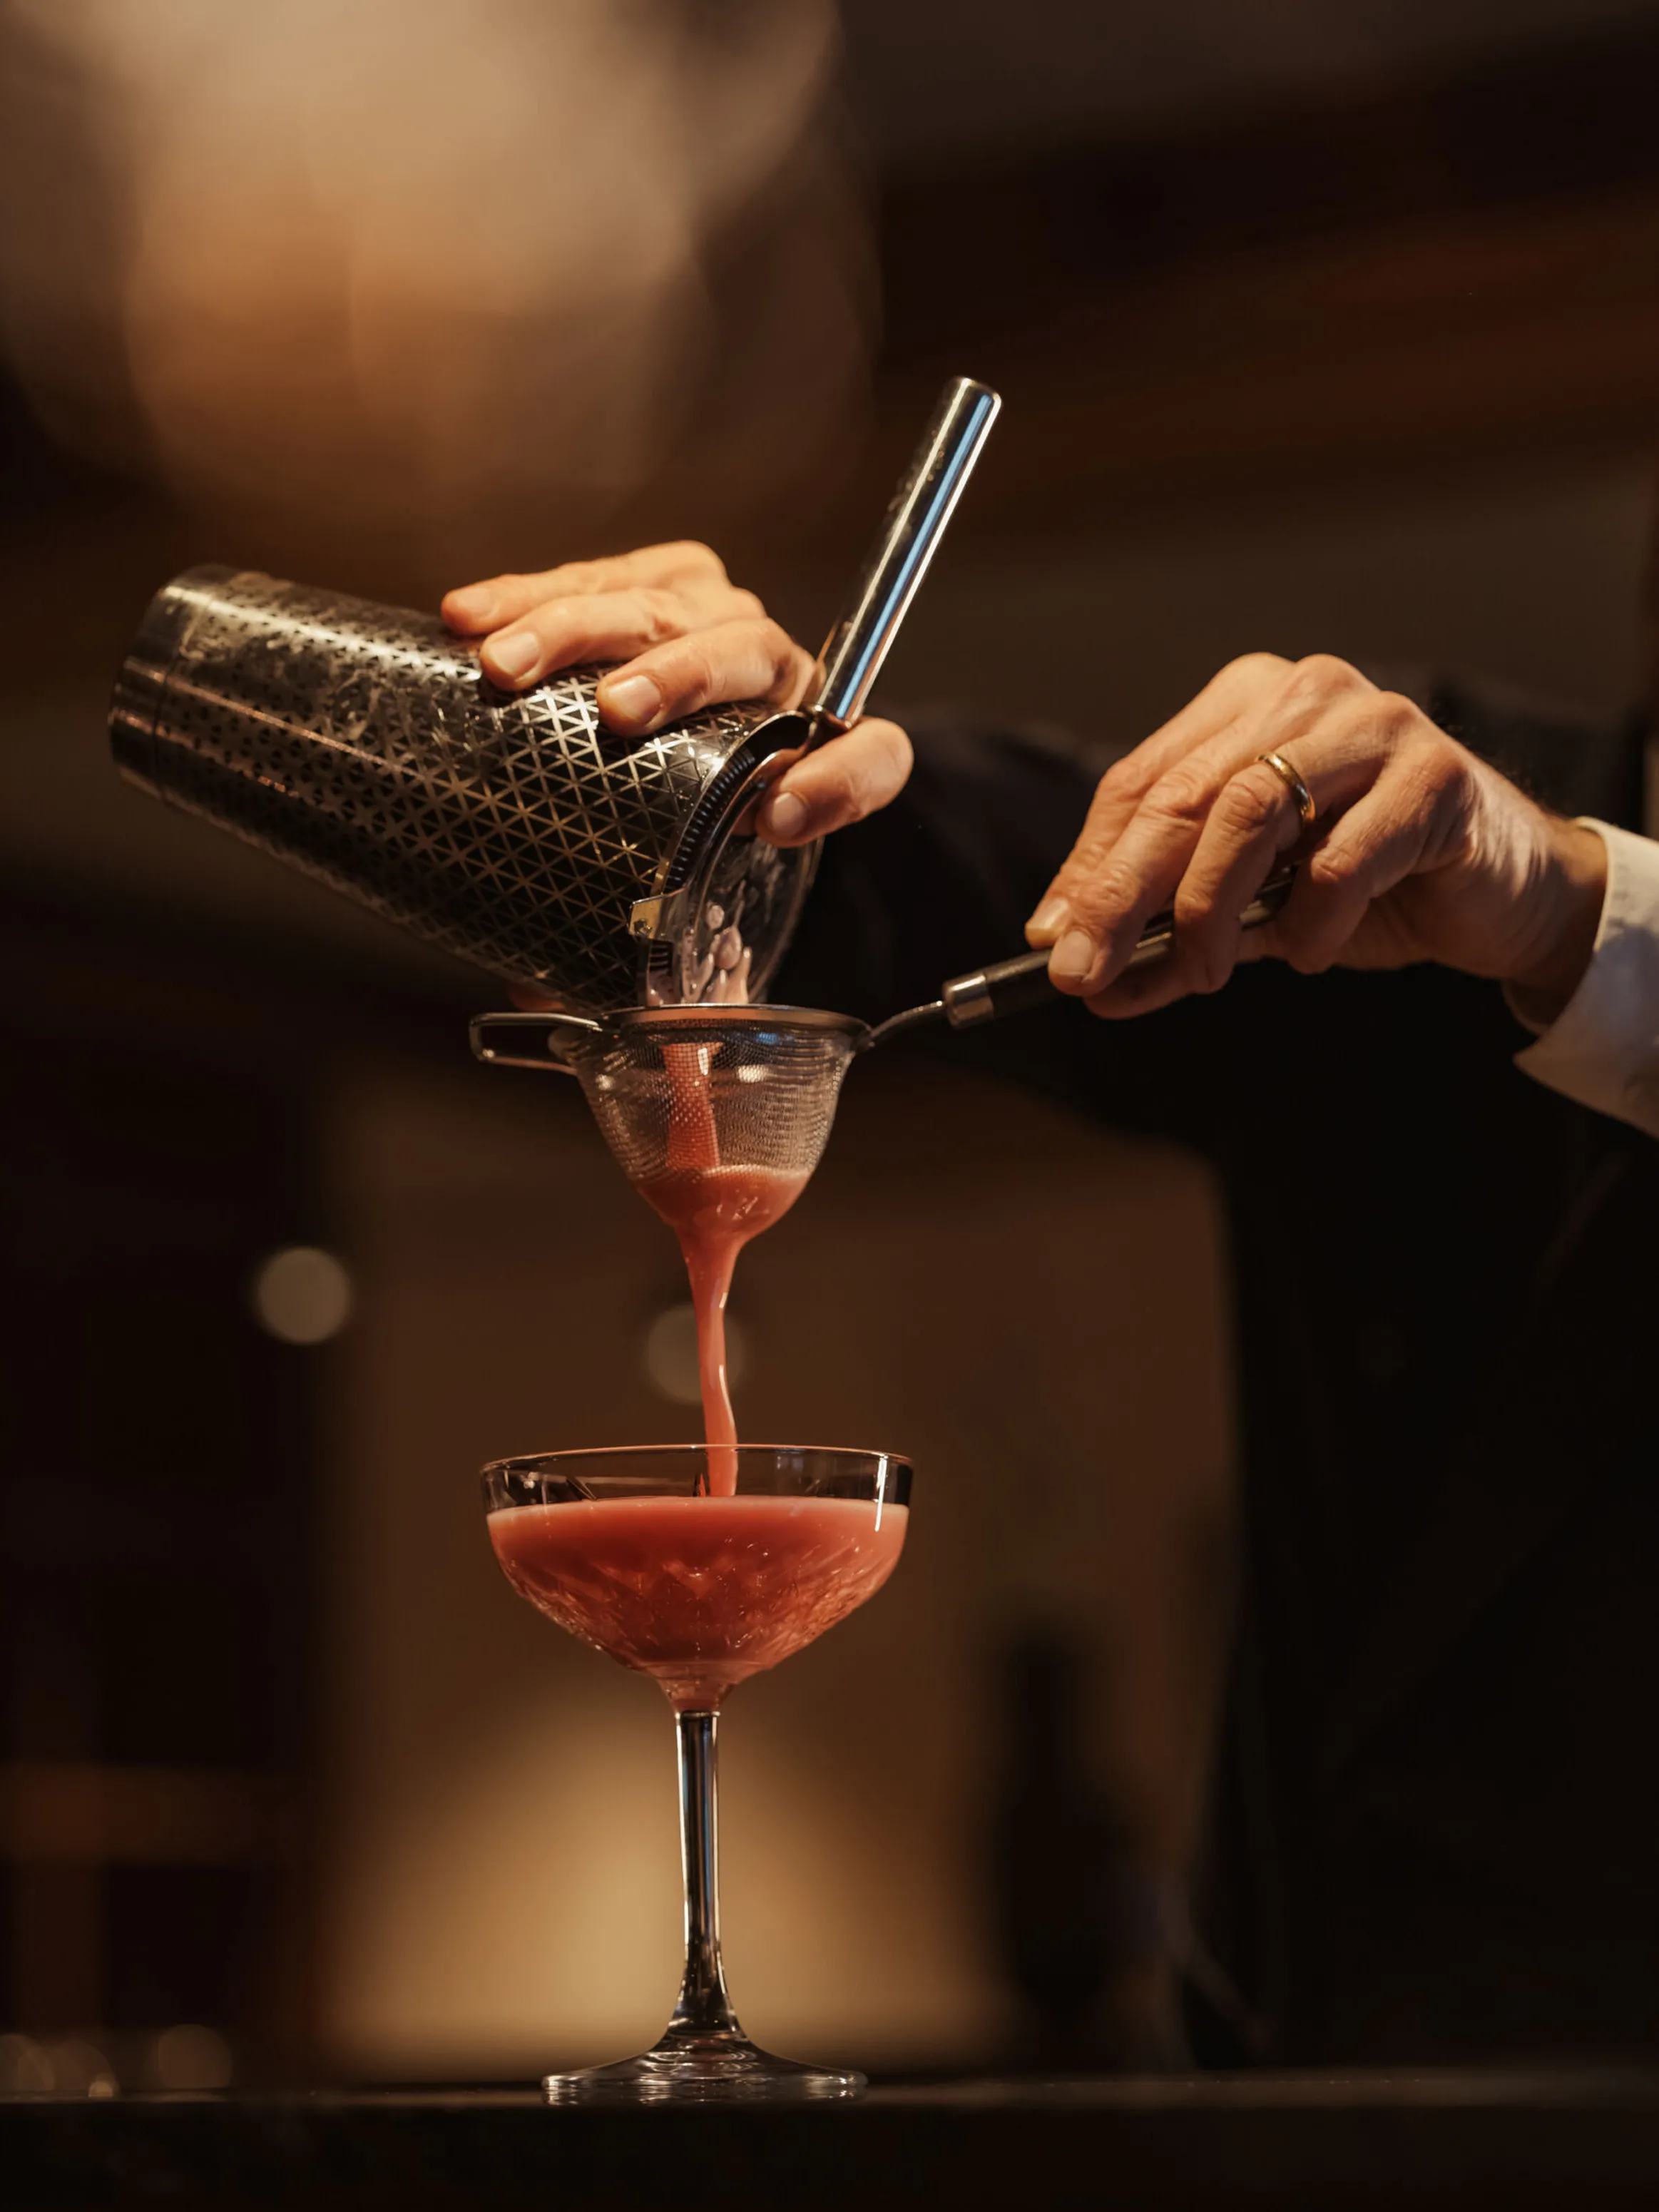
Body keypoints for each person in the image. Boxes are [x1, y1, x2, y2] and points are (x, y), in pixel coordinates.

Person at [443, 544, 1659, 2064]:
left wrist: (1581, 914)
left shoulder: (1507, 846)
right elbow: (938, 861)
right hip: (1300, 2081)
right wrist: (725, 772)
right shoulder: (1382, 819)